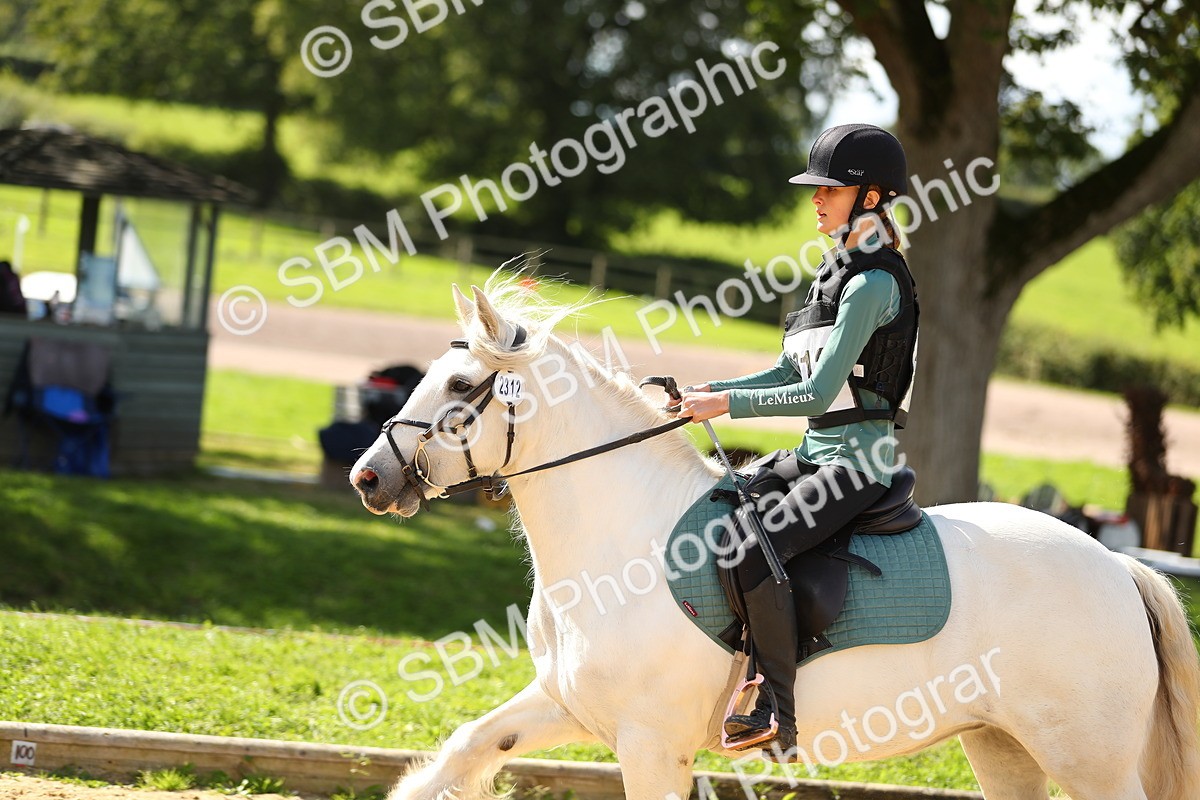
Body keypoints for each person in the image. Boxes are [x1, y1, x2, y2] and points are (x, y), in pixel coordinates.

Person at [677, 123, 919, 758]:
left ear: (869, 197)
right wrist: (709, 388)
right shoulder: (832, 274)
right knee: (720, 513)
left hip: (857, 467)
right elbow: (790, 373)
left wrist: (725, 404)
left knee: (755, 550)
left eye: (830, 190)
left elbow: (814, 398)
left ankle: (773, 709)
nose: (816, 199)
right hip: (814, 456)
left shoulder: (874, 284)